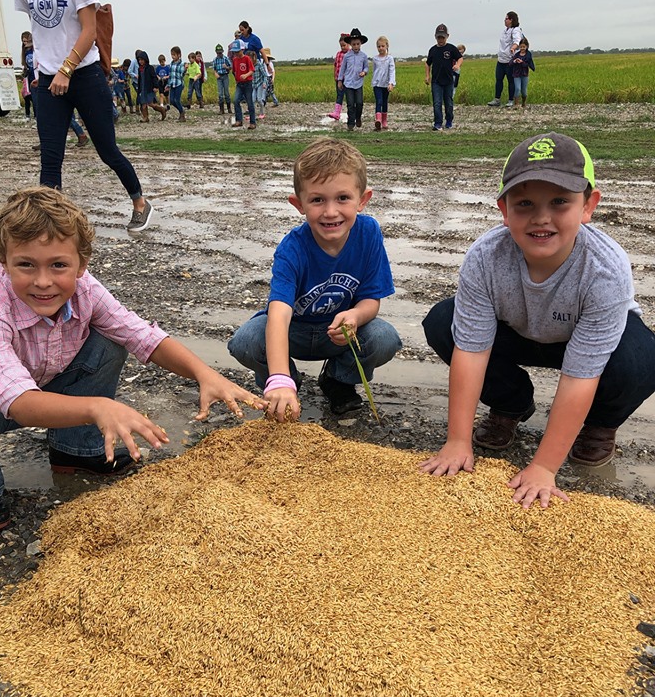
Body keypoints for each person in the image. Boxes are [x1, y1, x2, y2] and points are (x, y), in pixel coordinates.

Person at [0, 187, 265, 536]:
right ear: (4, 262)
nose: (43, 281)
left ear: (82, 264)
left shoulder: (86, 289)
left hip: (43, 388)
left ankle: (75, 451)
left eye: (59, 265)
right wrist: (98, 408)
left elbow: (141, 335)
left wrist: (204, 374)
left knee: (111, 338)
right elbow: (17, 401)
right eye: (26, 265)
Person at [421, 132, 655, 509]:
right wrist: (457, 442)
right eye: (525, 203)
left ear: (588, 205)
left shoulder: (605, 269)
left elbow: (581, 373)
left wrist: (545, 467)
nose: (541, 217)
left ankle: (599, 423)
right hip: (518, 331)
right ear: (504, 208)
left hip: (588, 344)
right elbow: (471, 351)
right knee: (443, 321)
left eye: (560, 202)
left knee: (640, 357)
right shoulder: (485, 257)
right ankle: (511, 405)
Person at [227, 138, 401, 420]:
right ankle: (287, 384)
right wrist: (280, 377)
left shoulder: (369, 233)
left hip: (340, 334)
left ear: (363, 200)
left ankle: (338, 381)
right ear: (299, 204)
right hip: (292, 331)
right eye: (318, 200)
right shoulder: (291, 248)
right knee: (246, 340)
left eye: (342, 198)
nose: (330, 211)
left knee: (383, 337)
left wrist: (356, 315)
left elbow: (372, 299)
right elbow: (279, 314)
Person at [14, 0, 154, 232]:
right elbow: (40, 32)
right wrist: (44, 70)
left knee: (107, 150)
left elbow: (89, 30)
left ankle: (140, 203)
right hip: (49, 80)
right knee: (50, 156)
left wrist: (66, 69)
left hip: (85, 74)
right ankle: (49, 228)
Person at [425, 23, 463, 132]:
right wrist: (427, 76)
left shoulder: (451, 48)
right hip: (436, 81)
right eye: (438, 37)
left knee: (449, 103)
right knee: (437, 102)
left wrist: (457, 65)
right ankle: (437, 123)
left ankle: (449, 120)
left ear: (447, 36)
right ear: (435, 37)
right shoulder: (433, 50)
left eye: (442, 37)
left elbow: (460, 58)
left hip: (448, 81)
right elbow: (427, 64)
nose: (440, 39)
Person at [487, 11, 523, 108]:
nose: (504, 20)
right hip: (501, 60)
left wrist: (513, 48)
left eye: (506, 18)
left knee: (510, 81)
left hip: (510, 60)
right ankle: (497, 99)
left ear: (511, 20)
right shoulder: (504, 31)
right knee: (499, 80)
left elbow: (517, 41)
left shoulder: (516, 30)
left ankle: (511, 100)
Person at [337, 28, 369, 132]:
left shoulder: (364, 56)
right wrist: (340, 80)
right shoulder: (347, 56)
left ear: (361, 44)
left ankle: (358, 117)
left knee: (359, 103)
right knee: (350, 104)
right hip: (348, 83)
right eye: (354, 44)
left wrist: (364, 72)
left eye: (358, 44)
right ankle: (351, 123)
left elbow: (366, 68)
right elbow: (342, 69)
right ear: (350, 44)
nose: (356, 46)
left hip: (358, 83)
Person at [230, 40, 256, 130]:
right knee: (236, 100)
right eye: (235, 52)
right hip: (239, 84)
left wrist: (246, 75)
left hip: (248, 83)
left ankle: (252, 122)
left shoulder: (247, 59)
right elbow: (233, 71)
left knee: (250, 102)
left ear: (242, 49)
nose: (236, 53)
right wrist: (237, 78)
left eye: (238, 51)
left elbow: (252, 70)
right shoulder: (235, 60)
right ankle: (239, 120)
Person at [371, 35, 395, 131]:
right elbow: (374, 71)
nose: (381, 48)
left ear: (386, 46)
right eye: (379, 46)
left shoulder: (390, 59)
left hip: (386, 84)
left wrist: (391, 83)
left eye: (382, 46)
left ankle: (384, 120)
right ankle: (378, 120)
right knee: (379, 101)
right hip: (377, 84)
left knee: (384, 102)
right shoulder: (375, 59)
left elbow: (392, 71)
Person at [136, 51, 168, 122]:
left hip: (149, 88)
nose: (140, 61)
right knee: (143, 103)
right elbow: (140, 80)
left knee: (151, 103)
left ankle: (162, 110)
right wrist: (139, 90)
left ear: (145, 59)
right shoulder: (140, 69)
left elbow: (154, 77)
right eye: (139, 60)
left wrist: (156, 86)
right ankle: (145, 117)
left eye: (142, 60)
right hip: (143, 88)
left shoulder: (150, 68)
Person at [327, 33, 350, 120]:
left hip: (347, 80)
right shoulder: (338, 54)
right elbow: (335, 65)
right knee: (339, 95)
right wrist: (335, 76)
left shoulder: (350, 54)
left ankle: (350, 112)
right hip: (338, 79)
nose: (343, 47)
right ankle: (337, 113)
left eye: (344, 45)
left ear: (349, 44)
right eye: (341, 46)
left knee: (349, 97)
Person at [510, 38, 535, 109]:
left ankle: (524, 103)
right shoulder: (517, 54)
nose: (522, 48)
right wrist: (515, 61)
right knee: (517, 88)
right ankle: (516, 104)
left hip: (524, 74)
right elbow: (510, 63)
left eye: (524, 47)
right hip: (516, 74)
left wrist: (522, 62)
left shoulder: (528, 55)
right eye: (521, 47)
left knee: (524, 91)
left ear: (526, 46)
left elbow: (528, 64)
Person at [211, 44, 232, 115]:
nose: (219, 54)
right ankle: (221, 109)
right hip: (219, 77)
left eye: (220, 52)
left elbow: (230, 67)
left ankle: (229, 108)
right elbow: (213, 69)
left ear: (222, 51)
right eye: (218, 52)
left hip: (225, 76)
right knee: (220, 93)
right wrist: (215, 73)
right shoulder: (215, 60)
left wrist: (226, 67)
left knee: (226, 93)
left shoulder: (225, 58)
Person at [168, 46, 187, 122]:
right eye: (172, 55)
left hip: (179, 84)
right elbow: (170, 75)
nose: (173, 56)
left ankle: (182, 114)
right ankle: (181, 110)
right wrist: (168, 85)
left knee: (177, 100)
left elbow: (182, 74)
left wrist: (185, 69)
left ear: (179, 55)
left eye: (174, 55)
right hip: (172, 84)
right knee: (172, 100)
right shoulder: (171, 64)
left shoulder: (181, 64)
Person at [252, 56, 268, 120]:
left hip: (260, 84)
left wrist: (264, 83)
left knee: (259, 99)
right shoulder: (249, 65)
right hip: (253, 84)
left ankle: (262, 113)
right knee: (252, 100)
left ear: (253, 58)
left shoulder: (259, 64)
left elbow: (265, 75)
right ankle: (252, 114)